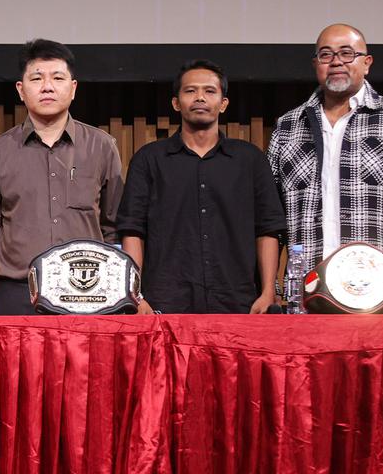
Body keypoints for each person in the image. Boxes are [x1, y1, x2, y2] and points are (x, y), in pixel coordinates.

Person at [268, 23, 383, 312]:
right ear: (316, 65)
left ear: (366, 63)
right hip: (308, 298)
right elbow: (271, 219)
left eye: (347, 53)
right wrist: (274, 288)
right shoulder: (288, 127)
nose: (337, 61)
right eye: (326, 55)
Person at [117, 60, 285, 314]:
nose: (200, 98)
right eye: (190, 91)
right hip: (165, 301)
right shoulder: (149, 159)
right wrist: (135, 295)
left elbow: (268, 228)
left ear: (223, 103)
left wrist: (268, 292)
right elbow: (132, 229)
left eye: (209, 91)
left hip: (238, 301)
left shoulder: (250, 159)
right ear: (176, 103)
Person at [0, 38, 124, 316]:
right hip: (17, 293)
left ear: (73, 88)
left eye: (57, 77)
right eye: (37, 78)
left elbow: (113, 225)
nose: (47, 87)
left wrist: (117, 290)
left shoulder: (102, 146)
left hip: (87, 291)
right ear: (21, 90)